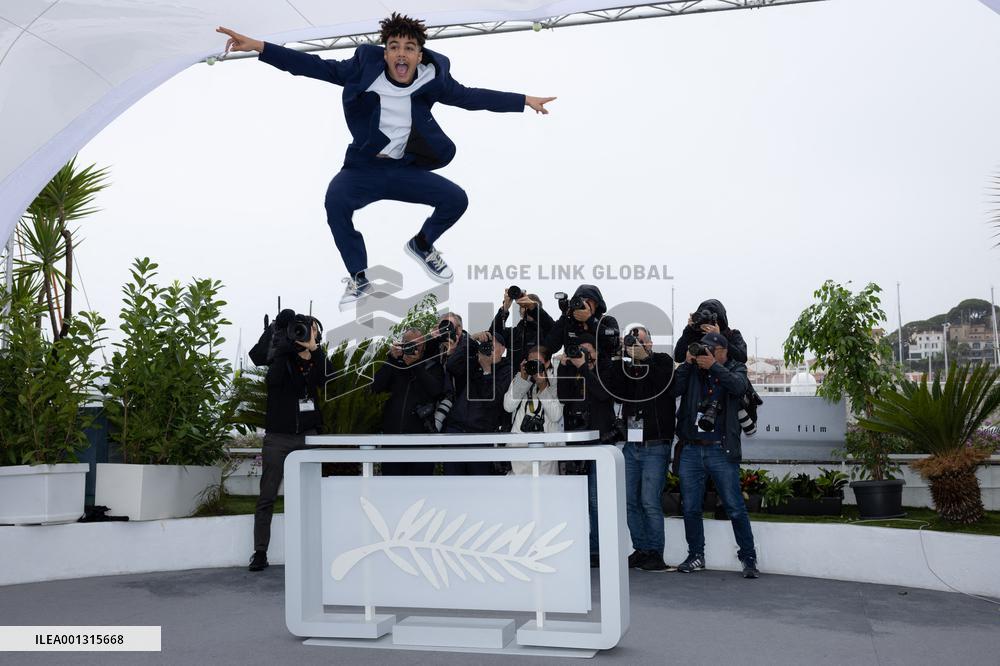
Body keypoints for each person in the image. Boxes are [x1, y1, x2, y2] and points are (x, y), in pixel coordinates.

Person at [216, 16, 556, 310]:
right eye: (394, 47)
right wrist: (260, 46)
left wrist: (523, 100)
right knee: (335, 202)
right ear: (386, 53)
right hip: (363, 169)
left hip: (402, 170)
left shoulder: (433, 76)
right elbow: (315, 67)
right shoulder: (364, 68)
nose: (401, 54)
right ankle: (359, 277)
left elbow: (469, 97)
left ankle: (422, 244)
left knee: (456, 199)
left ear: (419, 55)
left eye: (409, 48)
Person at [246, 310, 331, 572]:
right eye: (302, 330)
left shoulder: (317, 360)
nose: (304, 335)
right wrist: (280, 340)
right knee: (267, 495)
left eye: (310, 331)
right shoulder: (282, 358)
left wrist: (314, 350)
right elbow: (272, 380)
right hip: (278, 437)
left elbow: (328, 377)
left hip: (308, 436)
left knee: (314, 495)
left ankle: (318, 550)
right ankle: (260, 552)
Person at [671, 332, 759, 579]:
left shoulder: (735, 367)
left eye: (710, 350)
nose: (704, 355)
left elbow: (739, 386)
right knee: (690, 507)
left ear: (723, 351)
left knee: (735, 507)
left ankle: (748, 558)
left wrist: (714, 367)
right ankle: (695, 555)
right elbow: (673, 390)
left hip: (721, 449)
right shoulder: (693, 371)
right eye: (703, 350)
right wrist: (687, 364)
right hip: (691, 448)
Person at [609, 326, 676, 572]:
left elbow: (662, 382)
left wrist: (644, 358)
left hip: (656, 444)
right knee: (629, 501)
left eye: (641, 340)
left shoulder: (662, 361)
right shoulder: (628, 368)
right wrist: (618, 356)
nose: (636, 344)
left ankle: (656, 553)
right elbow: (614, 390)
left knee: (650, 501)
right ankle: (642, 549)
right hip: (632, 444)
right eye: (632, 341)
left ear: (650, 342)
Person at [556, 338, 614, 567]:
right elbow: (563, 397)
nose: (581, 354)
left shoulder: (605, 371)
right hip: (576, 443)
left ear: (596, 354)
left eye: (586, 351)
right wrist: (564, 368)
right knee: (576, 499)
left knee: (595, 500)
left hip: (600, 443)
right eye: (578, 351)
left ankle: (598, 549)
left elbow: (602, 394)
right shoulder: (572, 370)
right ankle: (578, 546)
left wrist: (583, 368)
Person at [371, 327, 445, 475]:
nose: (412, 348)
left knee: (421, 492)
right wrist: (391, 359)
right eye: (408, 343)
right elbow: (375, 388)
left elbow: (436, 391)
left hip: (421, 444)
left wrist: (415, 365)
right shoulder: (393, 365)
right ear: (401, 344)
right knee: (392, 491)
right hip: (392, 442)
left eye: (416, 345)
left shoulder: (432, 366)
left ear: (423, 347)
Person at [443, 328, 512, 475]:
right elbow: (452, 366)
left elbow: (492, 400)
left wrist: (487, 370)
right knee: (451, 485)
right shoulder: (475, 362)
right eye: (486, 343)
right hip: (456, 431)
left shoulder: (508, 371)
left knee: (477, 489)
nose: (488, 347)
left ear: (503, 349)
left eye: (492, 344)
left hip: (480, 436)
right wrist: (471, 340)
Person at [503, 345, 562, 475]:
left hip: (546, 452)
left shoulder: (554, 381)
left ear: (547, 363)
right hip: (520, 449)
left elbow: (555, 415)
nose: (534, 366)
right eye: (531, 362)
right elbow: (508, 406)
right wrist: (523, 380)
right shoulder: (520, 378)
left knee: (546, 491)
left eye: (538, 362)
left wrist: (542, 386)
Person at [493, 288, 555, 371]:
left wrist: (533, 308)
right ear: (519, 311)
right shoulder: (512, 333)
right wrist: (504, 309)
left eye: (530, 305)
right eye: (524, 305)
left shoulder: (546, 332)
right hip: (515, 380)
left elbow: (553, 328)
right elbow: (494, 334)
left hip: (540, 378)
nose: (528, 308)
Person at [673, 299, 748, 363]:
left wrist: (719, 338)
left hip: (723, 377)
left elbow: (742, 358)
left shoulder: (732, 334)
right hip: (699, 377)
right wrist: (689, 329)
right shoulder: (695, 335)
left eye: (710, 319)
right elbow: (678, 357)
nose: (707, 323)